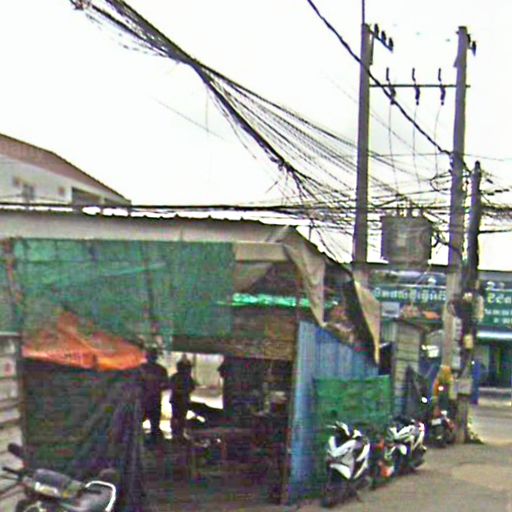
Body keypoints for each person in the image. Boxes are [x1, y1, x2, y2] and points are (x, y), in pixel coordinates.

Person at [140, 348, 168, 443]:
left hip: (151, 400)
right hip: (146, 400)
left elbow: (166, 384)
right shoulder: (142, 368)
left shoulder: (159, 370)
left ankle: (153, 441)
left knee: (154, 423)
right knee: (142, 422)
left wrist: (156, 389)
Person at [169, 355, 196, 441]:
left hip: (183, 400)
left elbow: (192, 387)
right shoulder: (176, 377)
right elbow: (172, 386)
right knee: (176, 417)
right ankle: (175, 433)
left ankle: (179, 433)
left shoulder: (187, 378)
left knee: (181, 417)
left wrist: (184, 392)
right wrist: (181, 391)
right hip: (177, 400)